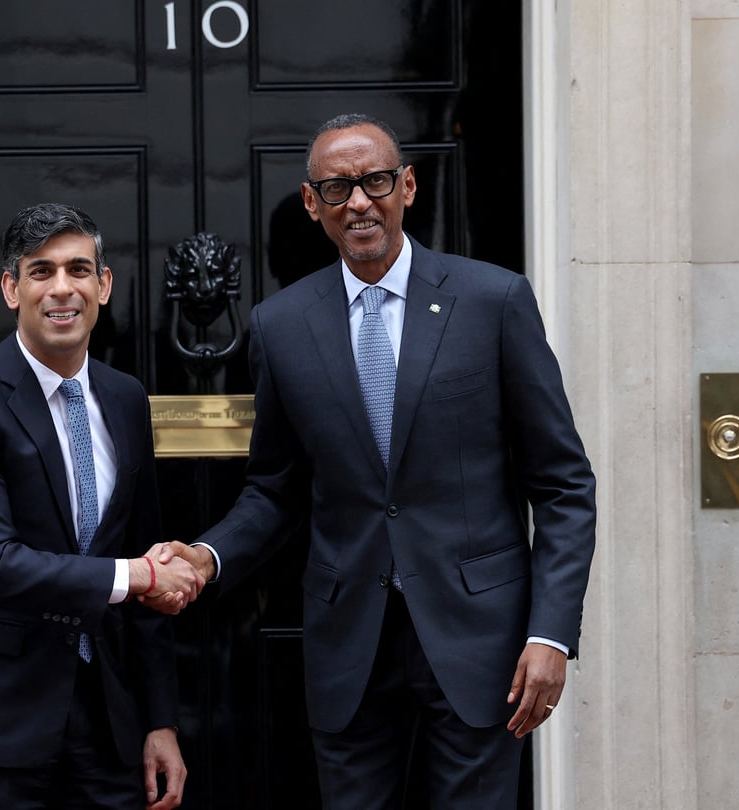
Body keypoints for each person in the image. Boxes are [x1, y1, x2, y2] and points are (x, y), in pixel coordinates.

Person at [156, 114, 597, 808]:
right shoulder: (280, 326)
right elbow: (274, 490)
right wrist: (207, 557)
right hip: (347, 645)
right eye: (337, 188)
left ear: (407, 187)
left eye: (375, 181)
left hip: (479, 641)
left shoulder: (492, 300)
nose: (358, 201)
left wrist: (551, 634)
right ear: (313, 204)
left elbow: (563, 485)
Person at [0, 202, 202, 810]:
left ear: (104, 285)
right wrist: (140, 575)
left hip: (110, 720)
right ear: (11, 289)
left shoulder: (126, 400)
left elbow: (143, 552)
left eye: (78, 269)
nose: (61, 288)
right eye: (41, 271)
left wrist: (160, 720)